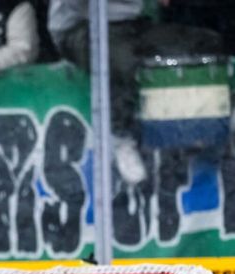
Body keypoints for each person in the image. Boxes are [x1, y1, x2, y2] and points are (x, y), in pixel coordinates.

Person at [47, 0, 222, 185]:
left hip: (129, 24)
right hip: (79, 27)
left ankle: (201, 123)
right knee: (121, 60)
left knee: (205, 41)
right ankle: (121, 137)